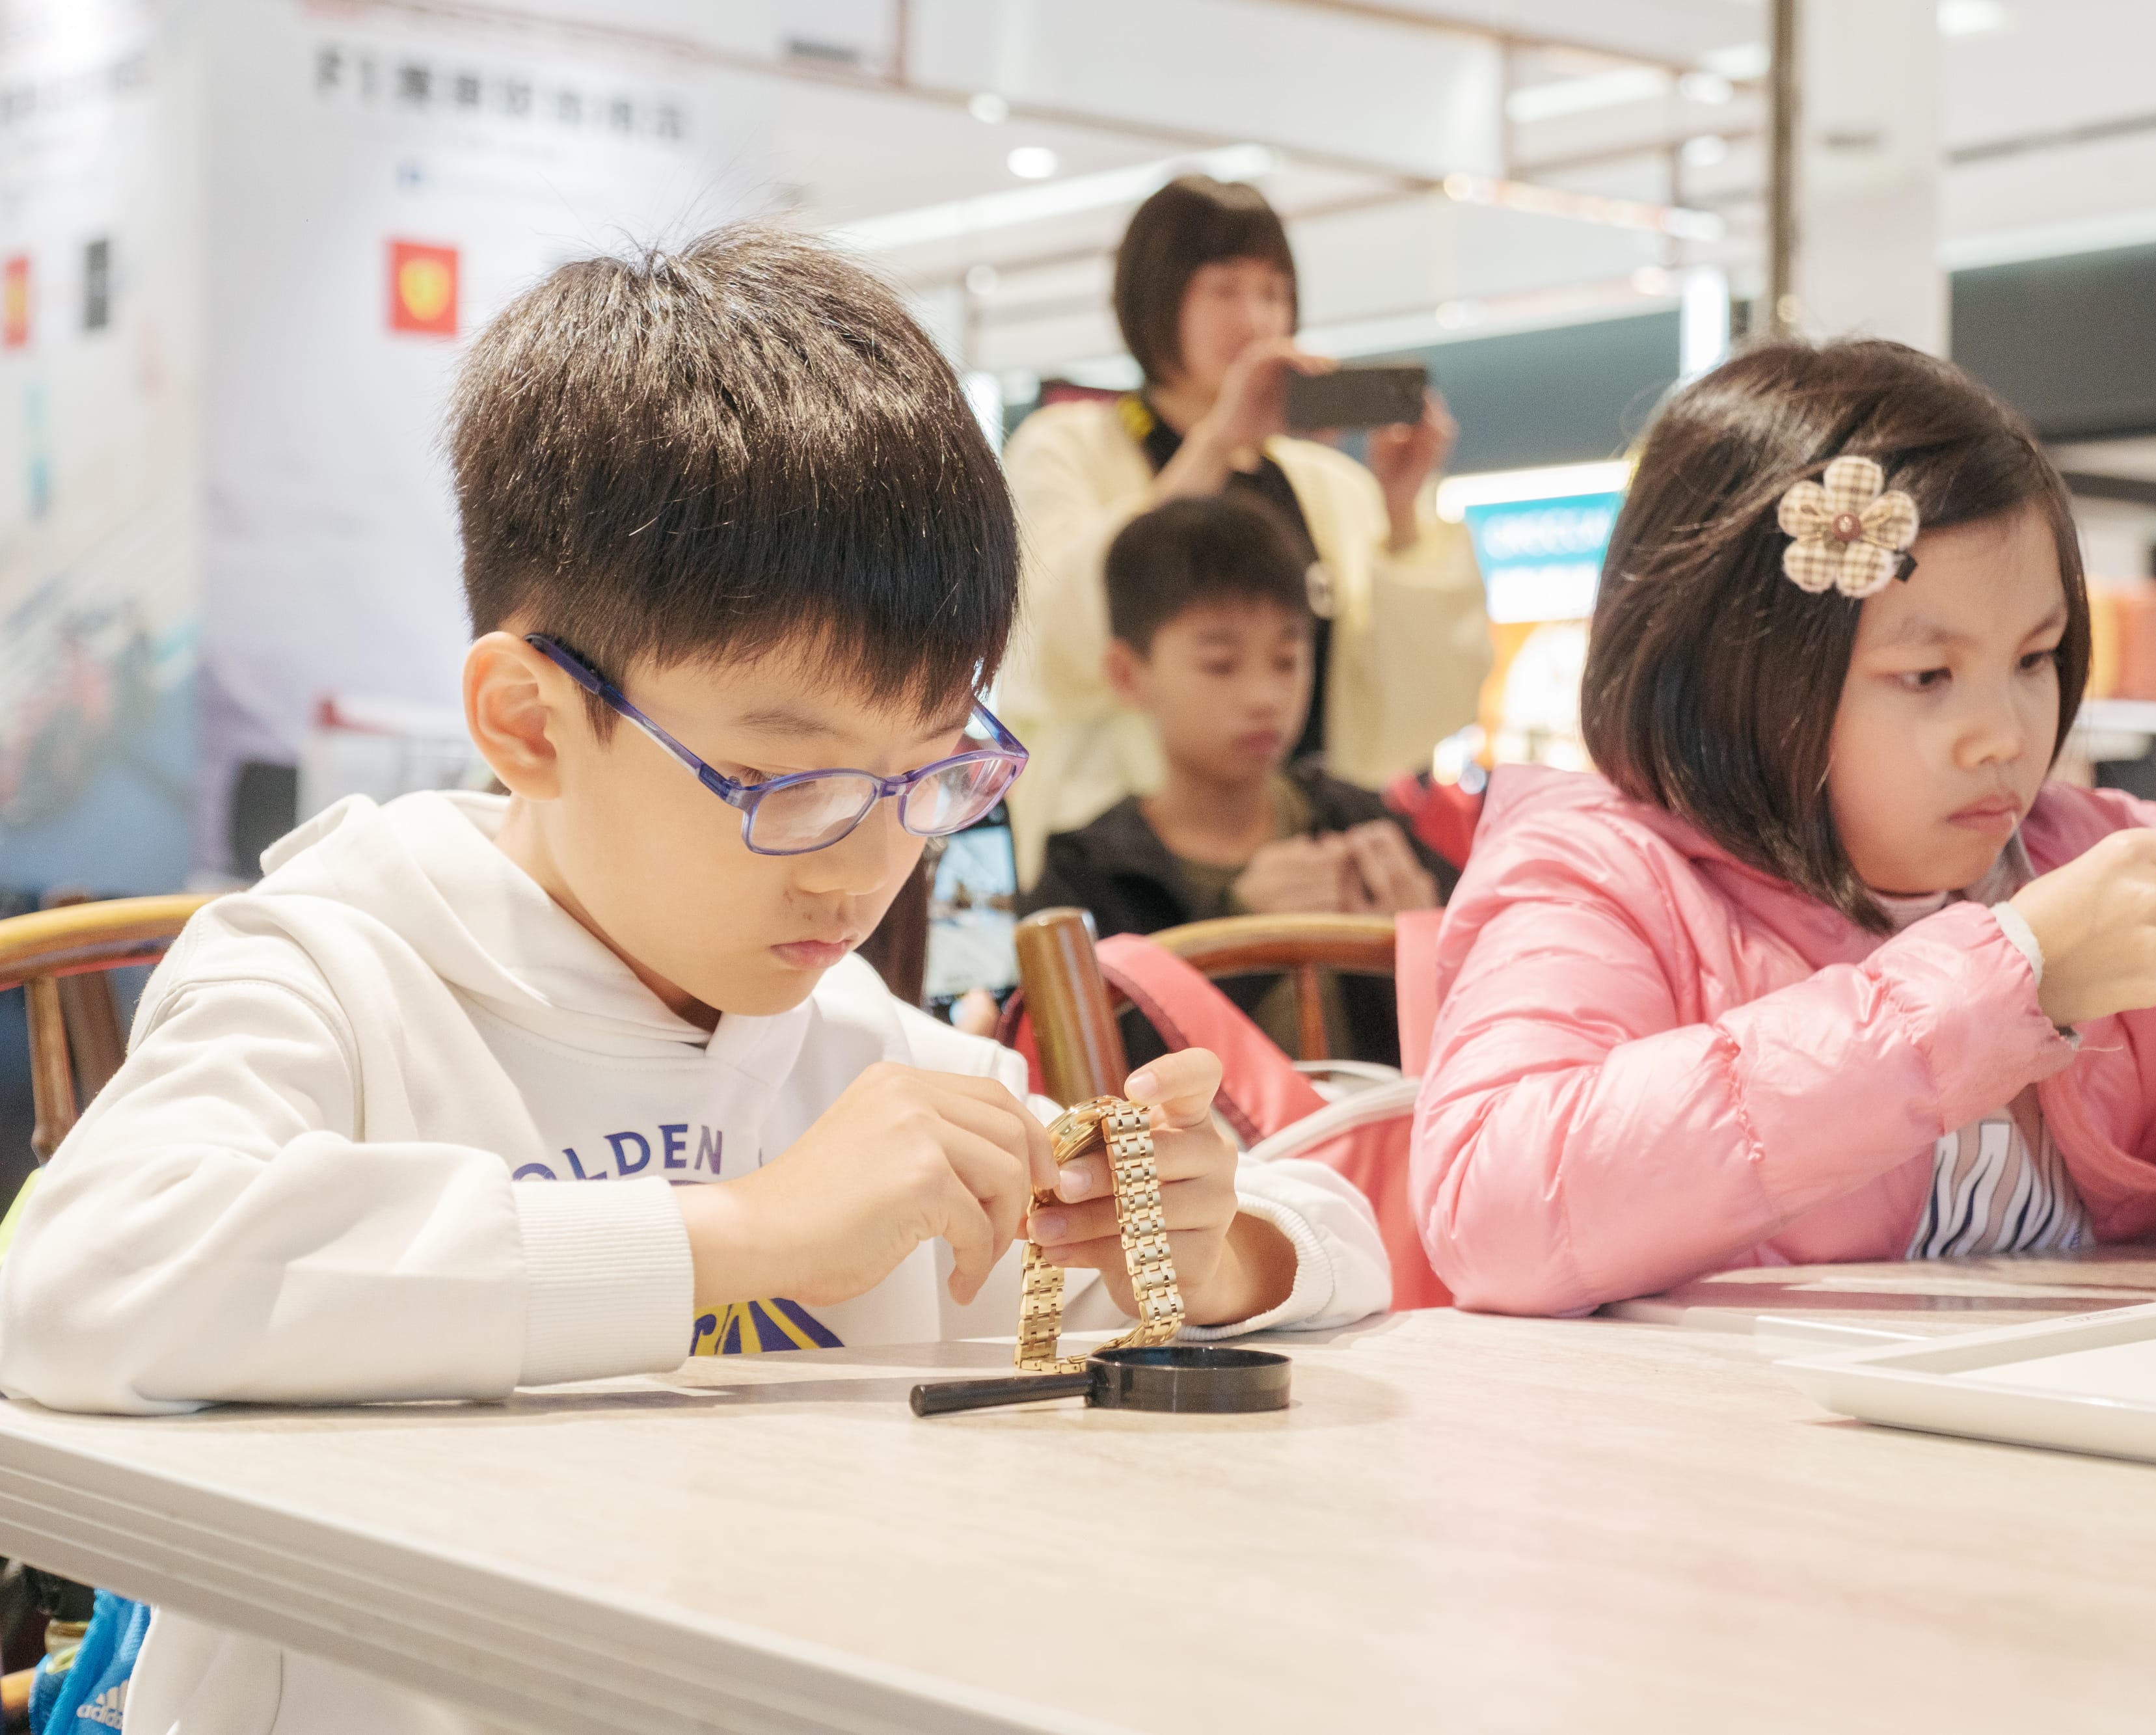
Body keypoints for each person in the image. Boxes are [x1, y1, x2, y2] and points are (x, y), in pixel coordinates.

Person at [0, 226, 1388, 1732]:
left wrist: (1211, 1241)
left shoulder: (861, 1045)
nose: (860, 871)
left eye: (930, 775)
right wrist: (735, 1234)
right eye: (787, 785)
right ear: (529, 723)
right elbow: (82, 1287)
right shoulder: (337, 970)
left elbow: (1337, 1235)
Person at [1411, 340, 2156, 1317]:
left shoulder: (2088, 857)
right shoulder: (1598, 877)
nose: (2003, 731)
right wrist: (2017, 978)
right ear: (1739, 676)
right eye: (1927, 674)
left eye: (2037, 657)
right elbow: (1494, 1212)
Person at [997, 174, 1491, 883]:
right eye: (1224, 290)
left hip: (1308, 860)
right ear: (1156, 299)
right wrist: (1215, 443)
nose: (1256, 319)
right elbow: (1051, 643)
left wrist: (1401, 509)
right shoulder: (1068, 448)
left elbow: (1416, 704)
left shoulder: (1326, 486)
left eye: (1273, 293)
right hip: (1131, 871)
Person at [1023, 495, 1456, 1061]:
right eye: (1220, 664)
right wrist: (1237, 931)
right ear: (1127, 675)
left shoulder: (1363, 830)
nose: (1265, 697)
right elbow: (1087, 1088)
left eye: (1287, 659)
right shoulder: (1085, 878)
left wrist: (1425, 946)